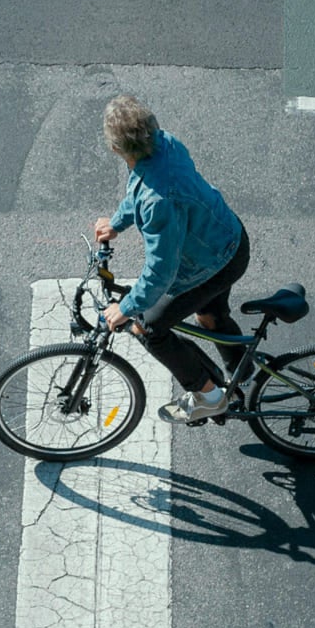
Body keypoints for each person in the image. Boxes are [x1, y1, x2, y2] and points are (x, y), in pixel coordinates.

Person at [91, 95, 251, 424]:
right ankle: (243, 375)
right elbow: (139, 185)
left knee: (147, 327)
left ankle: (209, 397)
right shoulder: (165, 144)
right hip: (228, 240)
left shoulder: (158, 203)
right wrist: (118, 222)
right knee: (210, 317)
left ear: (116, 149)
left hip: (210, 263)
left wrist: (126, 308)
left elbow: (161, 272)